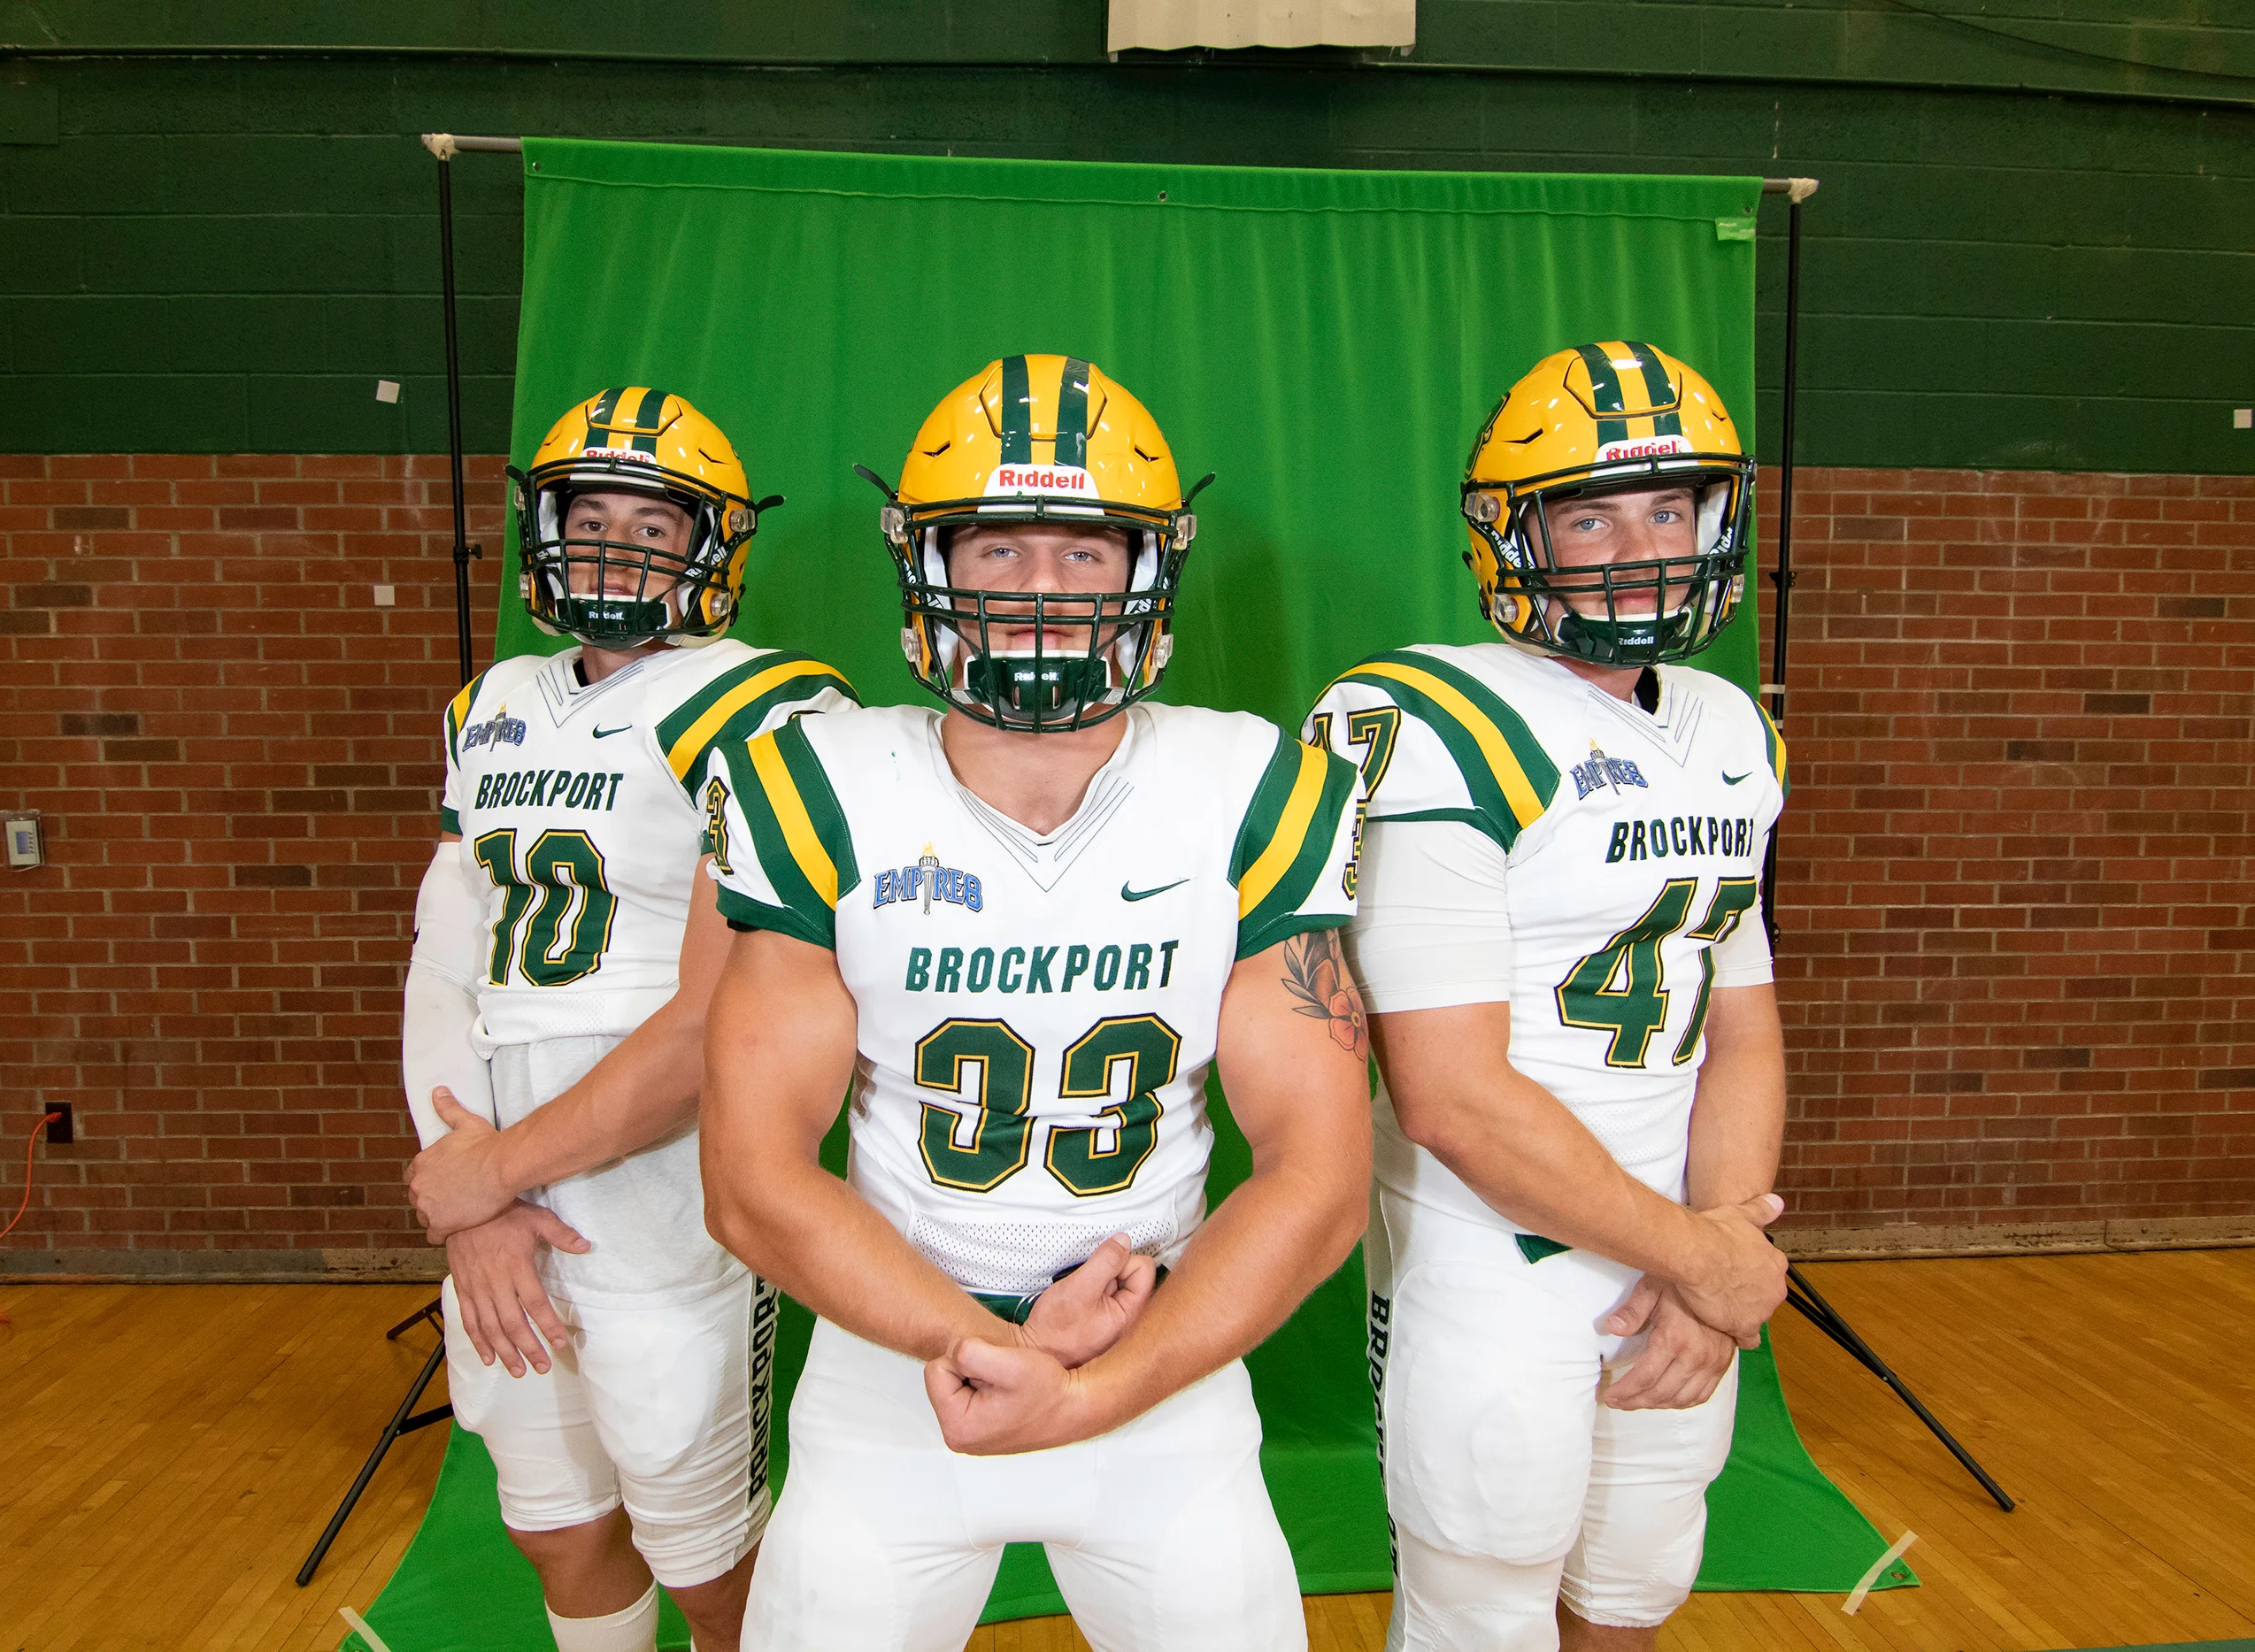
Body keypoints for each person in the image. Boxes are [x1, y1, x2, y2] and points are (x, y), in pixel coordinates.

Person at [695, 355, 1371, 1652]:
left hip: (1161, 1358)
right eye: (996, 551)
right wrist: (989, 1346)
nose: (1042, 594)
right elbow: (750, 1175)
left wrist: (1101, 1381)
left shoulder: (1252, 787)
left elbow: (1320, 1173)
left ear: (1149, 574)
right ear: (927, 567)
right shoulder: (818, 784)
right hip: (892, 1360)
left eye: (1084, 553)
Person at [1308, 342, 1794, 1652]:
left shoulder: (1729, 725)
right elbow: (1452, 1095)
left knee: (1634, 1584)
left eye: (1668, 507)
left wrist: (1719, 1240)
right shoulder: (1434, 716)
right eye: (1590, 513)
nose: (1641, 547)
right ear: (1516, 538)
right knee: (1482, 1595)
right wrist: (1706, 1264)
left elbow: (1738, 1015)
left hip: (1684, 1238)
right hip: (1495, 1250)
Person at [400, 386, 854, 1652]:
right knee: (553, 1518)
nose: (608, 547)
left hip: (661, 1179)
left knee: (705, 1546)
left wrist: (489, 1173)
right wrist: (470, 1195)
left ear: (710, 549)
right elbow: (444, 962)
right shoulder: (486, 703)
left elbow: (719, 1020)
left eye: (646, 525)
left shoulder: (770, 703)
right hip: (490, 1144)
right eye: (584, 514)